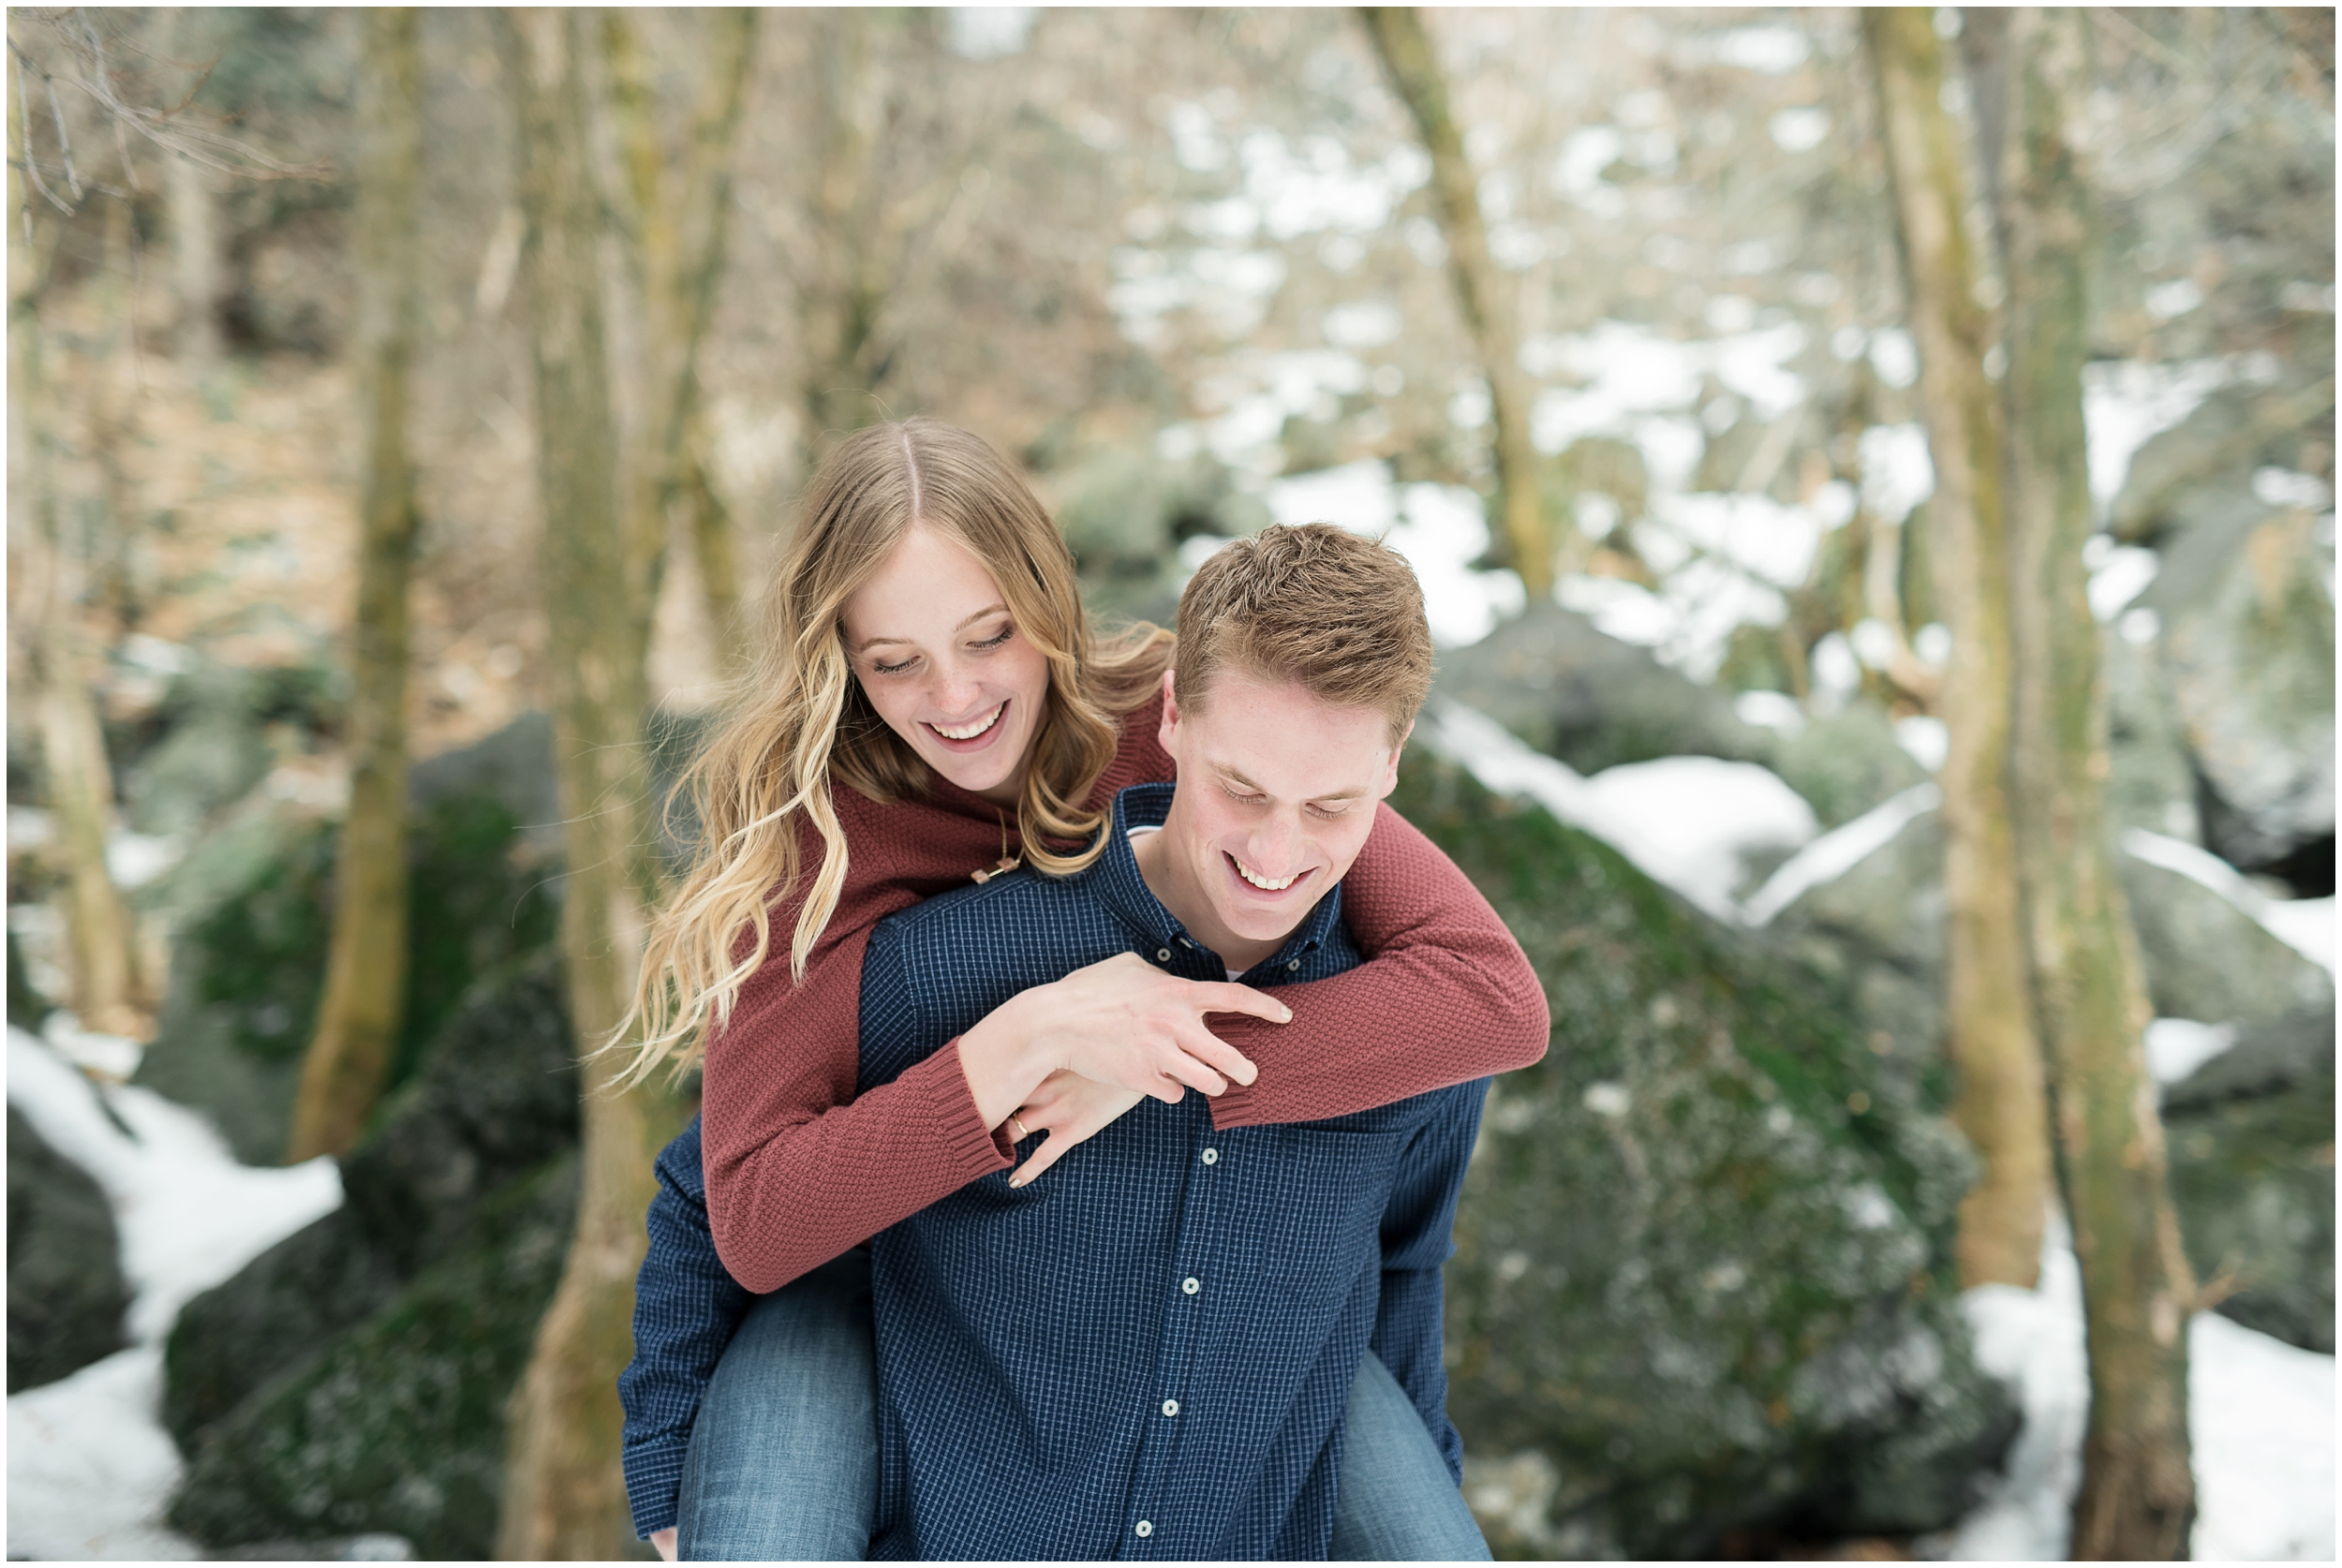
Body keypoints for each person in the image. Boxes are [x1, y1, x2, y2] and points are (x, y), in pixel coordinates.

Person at [614, 422, 1549, 1553]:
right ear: (842, 661)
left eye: (988, 636)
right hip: (866, 1288)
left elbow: (1490, 1000)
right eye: (894, 660)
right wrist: (1028, 1040)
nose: (954, 696)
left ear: (1047, 603)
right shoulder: (824, 857)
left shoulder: (1199, 735)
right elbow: (730, 1199)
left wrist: (1165, 1062)